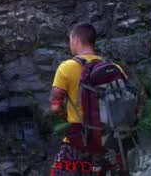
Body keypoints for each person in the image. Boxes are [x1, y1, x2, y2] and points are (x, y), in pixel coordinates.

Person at [49, 23, 133, 176]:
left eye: (70, 40)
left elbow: (55, 107)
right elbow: (129, 101)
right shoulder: (114, 68)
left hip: (79, 142)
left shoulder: (66, 67)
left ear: (75, 39)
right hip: (112, 142)